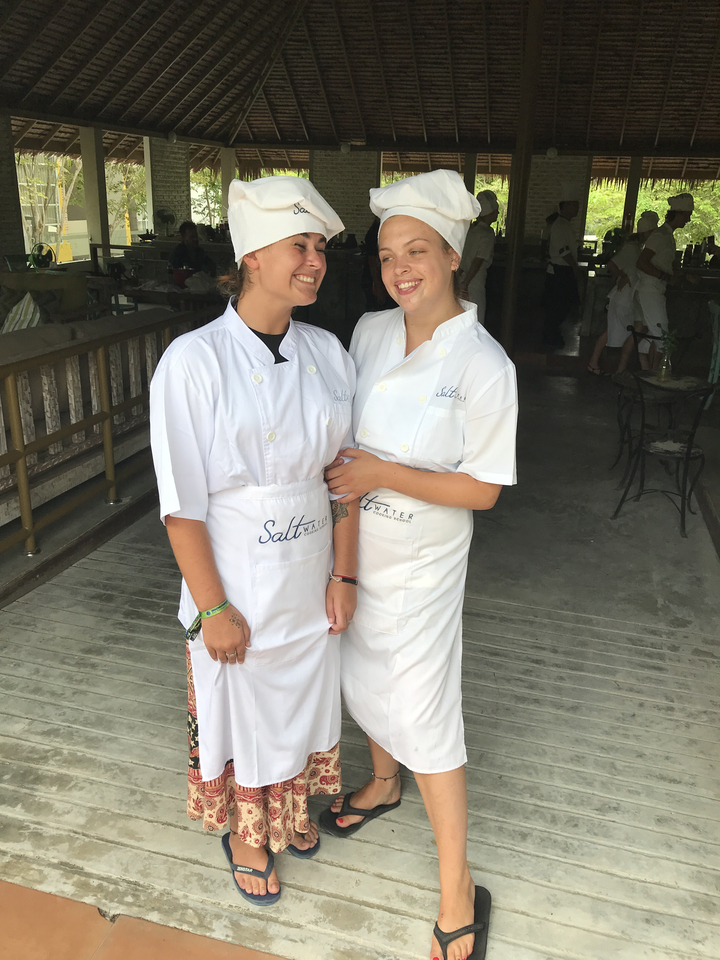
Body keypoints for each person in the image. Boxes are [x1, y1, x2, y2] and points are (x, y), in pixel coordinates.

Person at [321, 169, 518, 960]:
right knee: (359, 672)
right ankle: (383, 780)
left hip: (426, 563)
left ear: (452, 257)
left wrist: (381, 475)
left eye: (418, 252)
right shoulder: (368, 331)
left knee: (430, 715)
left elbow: (485, 488)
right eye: (388, 254)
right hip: (356, 545)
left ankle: (455, 888)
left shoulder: (482, 362)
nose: (400, 269)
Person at [149, 177, 358, 906]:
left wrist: (344, 577)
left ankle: (291, 812)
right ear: (252, 258)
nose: (313, 261)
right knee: (240, 705)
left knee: (302, 700)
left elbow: (344, 480)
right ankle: (246, 833)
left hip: (309, 576)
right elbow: (182, 507)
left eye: (320, 248)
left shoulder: (329, 353)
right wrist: (212, 609)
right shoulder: (193, 361)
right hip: (234, 577)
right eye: (298, 246)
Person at [587, 210, 659, 375]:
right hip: (623, 299)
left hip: (629, 298)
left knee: (626, 331)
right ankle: (597, 364)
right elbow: (611, 264)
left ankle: (634, 368)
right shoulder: (631, 249)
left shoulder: (638, 249)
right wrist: (622, 276)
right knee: (620, 331)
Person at [635, 193, 698, 368]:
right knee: (663, 337)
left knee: (654, 336)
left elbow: (666, 265)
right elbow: (641, 262)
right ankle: (655, 378)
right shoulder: (659, 235)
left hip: (656, 290)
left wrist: (683, 276)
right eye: (687, 216)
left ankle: (647, 373)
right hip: (650, 290)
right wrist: (666, 278)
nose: (688, 220)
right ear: (677, 214)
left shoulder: (667, 236)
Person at [542, 182, 583, 349]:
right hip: (559, 271)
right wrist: (575, 267)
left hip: (564, 270)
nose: (577, 209)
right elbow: (563, 251)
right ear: (566, 206)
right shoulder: (559, 225)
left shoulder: (565, 225)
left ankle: (552, 335)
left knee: (563, 306)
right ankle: (550, 337)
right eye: (575, 206)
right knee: (557, 307)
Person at [458, 189, 499, 325]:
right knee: (476, 316)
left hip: (462, 276)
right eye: (496, 211)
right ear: (489, 213)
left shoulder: (471, 230)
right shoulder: (487, 233)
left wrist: (459, 280)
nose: (498, 213)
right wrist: (466, 283)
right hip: (475, 279)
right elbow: (478, 260)